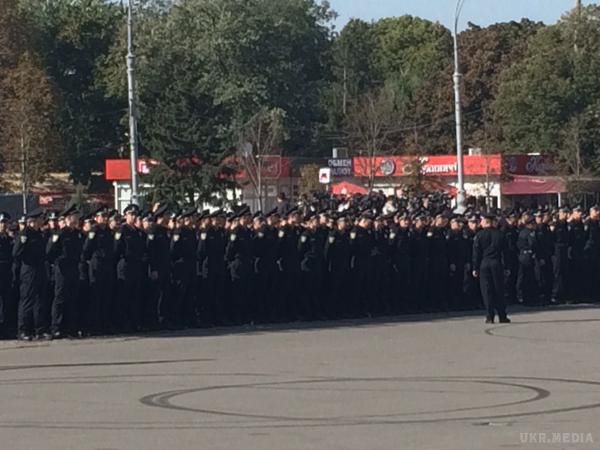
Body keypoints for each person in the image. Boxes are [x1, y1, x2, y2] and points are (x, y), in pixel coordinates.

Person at [12, 209, 50, 340]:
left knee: (40, 300)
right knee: (27, 300)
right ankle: (23, 330)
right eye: (40, 219)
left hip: (40, 269)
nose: (42, 221)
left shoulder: (39, 234)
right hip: (29, 269)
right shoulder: (25, 234)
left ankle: (39, 329)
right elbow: (16, 253)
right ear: (33, 221)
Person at [472, 214, 511, 324]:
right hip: (497, 263)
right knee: (499, 289)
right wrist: (507, 266)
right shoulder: (500, 234)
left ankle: (490, 316)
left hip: (484, 264)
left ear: (486, 222)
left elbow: (476, 253)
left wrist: (475, 267)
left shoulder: (479, 235)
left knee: (487, 290)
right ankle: (502, 315)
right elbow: (505, 252)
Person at [0, 212, 13, 339]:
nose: (4, 225)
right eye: (2, 222)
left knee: (6, 302)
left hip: (6, 274)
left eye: (6, 223)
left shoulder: (9, 239)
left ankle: (5, 328)